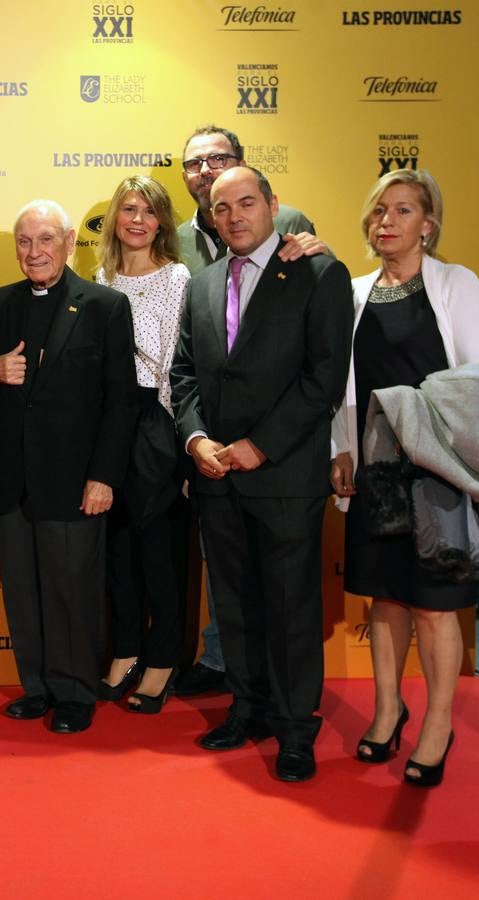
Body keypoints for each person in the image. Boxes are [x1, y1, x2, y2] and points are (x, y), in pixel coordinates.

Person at [170, 166, 353, 782]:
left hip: (283, 476)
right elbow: (185, 373)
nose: (236, 216)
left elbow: (322, 378)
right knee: (235, 603)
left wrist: (259, 446)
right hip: (216, 474)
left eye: (247, 203)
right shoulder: (202, 283)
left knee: (290, 607)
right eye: (223, 209)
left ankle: (295, 729)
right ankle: (246, 709)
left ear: (273, 205)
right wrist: (196, 438)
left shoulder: (319, 274)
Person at [330, 169, 479, 787]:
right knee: (386, 598)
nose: (386, 221)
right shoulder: (353, 292)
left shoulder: (456, 284)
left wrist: (415, 414)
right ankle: (388, 710)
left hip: (437, 470)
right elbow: (342, 389)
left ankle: (439, 723)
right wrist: (341, 450)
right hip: (376, 468)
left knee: (433, 607)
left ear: (429, 223)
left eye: (402, 210)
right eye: (378, 212)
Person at [174, 123, 326, 698]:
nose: (207, 170)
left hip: (279, 453)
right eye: (195, 164)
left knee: (284, 593)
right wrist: (195, 439)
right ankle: (231, 680)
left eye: (220, 160)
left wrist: (262, 443)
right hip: (209, 445)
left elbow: (320, 359)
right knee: (228, 580)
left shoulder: (294, 230)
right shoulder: (177, 242)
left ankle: (288, 715)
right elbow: (186, 360)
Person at [0, 199, 138, 734]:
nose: (34, 252)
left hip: (76, 481)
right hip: (11, 480)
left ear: (70, 241)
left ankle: (75, 692)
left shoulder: (104, 305)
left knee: (73, 590)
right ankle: (38, 687)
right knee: (23, 591)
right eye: (24, 242)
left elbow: (121, 401)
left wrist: (105, 476)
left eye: (45, 239)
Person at [94, 177, 191, 713]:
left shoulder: (176, 276)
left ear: (161, 223)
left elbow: (180, 360)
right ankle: (125, 649)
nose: (137, 220)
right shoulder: (101, 277)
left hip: (157, 416)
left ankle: (162, 658)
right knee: (118, 546)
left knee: (158, 549)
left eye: (149, 212)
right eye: (128, 209)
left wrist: (179, 443)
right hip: (111, 419)